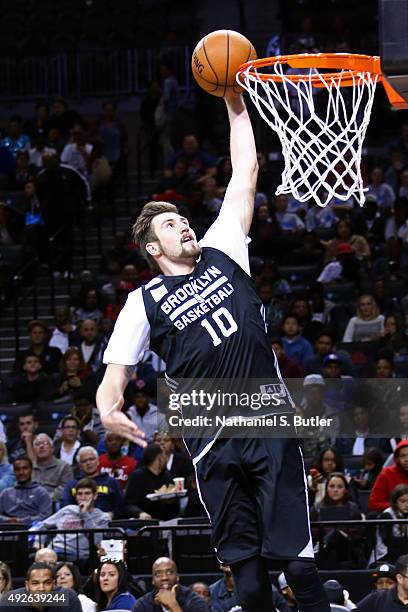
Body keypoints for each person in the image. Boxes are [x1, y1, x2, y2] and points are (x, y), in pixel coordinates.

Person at [97, 94, 330, 610]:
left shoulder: (224, 244)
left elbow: (245, 168)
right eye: (170, 225)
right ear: (154, 249)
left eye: (182, 218)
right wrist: (107, 407)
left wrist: (235, 105)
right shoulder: (142, 303)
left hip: (267, 419)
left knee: (300, 567)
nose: (183, 224)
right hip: (210, 440)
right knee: (248, 582)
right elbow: (115, 374)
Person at [41, 477, 110, 560]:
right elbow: (44, 525)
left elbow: (98, 541)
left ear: (95, 496)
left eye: (87, 493)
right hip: (54, 551)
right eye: (80, 494)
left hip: (78, 555)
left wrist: (84, 514)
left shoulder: (102, 517)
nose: (83, 497)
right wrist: (38, 542)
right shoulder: (68, 509)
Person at [61, 446, 123, 518]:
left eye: (91, 459)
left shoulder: (111, 482)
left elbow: (121, 506)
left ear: (98, 461)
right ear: (80, 465)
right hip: (79, 524)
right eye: (84, 461)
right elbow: (65, 506)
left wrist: (113, 514)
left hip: (108, 525)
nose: (88, 463)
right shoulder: (72, 485)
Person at [124, 444, 179, 521]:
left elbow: (176, 509)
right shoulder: (138, 476)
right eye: (164, 455)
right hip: (142, 522)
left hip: (165, 522)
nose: (166, 458)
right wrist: (140, 513)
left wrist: (170, 502)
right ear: (159, 457)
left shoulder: (167, 476)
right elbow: (128, 504)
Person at [133, 557, 209, 611]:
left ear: (177, 577)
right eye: (158, 574)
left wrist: (173, 605)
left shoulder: (195, 602)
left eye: (169, 572)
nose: (164, 578)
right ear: (153, 580)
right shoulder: (142, 605)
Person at [0, 562, 82, 612]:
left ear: (54, 584)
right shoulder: (11, 600)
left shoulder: (67, 597)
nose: (41, 588)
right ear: (27, 585)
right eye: (35, 583)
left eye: (47, 583)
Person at [0, 456, 52, 525]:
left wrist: (21, 521)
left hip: (34, 529)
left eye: (25, 468)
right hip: (9, 529)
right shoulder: (5, 493)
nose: (21, 472)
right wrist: (8, 520)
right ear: (14, 472)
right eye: (17, 469)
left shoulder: (41, 492)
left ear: (31, 470)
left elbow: (46, 516)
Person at [369, 440, 408, 512]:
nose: (406, 459)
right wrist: (397, 506)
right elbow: (373, 503)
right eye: (403, 456)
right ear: (397, 459)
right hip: (392, 519)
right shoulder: (386, 474)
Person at [32, 434, 73, 501]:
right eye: (37, 444)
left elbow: (65, 489)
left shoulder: (64, 467)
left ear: (52, 449)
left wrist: (44, 498)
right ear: (33, 450)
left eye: (45, 443)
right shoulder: (28, 467)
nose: (41, 446)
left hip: (54, 504)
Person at [376, 484, 408, 563]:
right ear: (395, 502)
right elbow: (388, 541)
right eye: (403, 501)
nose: (407, 505)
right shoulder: (387, 515)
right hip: (386, 555)